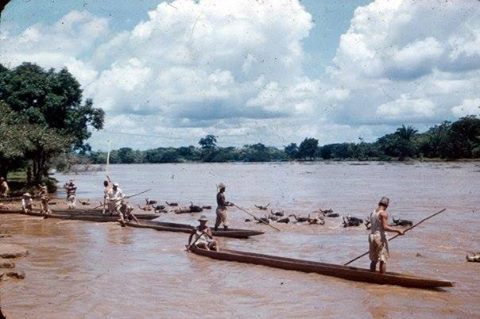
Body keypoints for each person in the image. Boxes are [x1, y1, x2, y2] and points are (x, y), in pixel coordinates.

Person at [368, 197, 404, 273]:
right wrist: (398, 230)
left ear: (379, 203)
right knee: (383, 259)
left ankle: (371, 276)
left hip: (371, 236)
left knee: (374, 260)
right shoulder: (383, 213)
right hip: (379, 238)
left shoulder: (373, 212)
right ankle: (382, 279)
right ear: (387, 206)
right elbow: (385, 227)